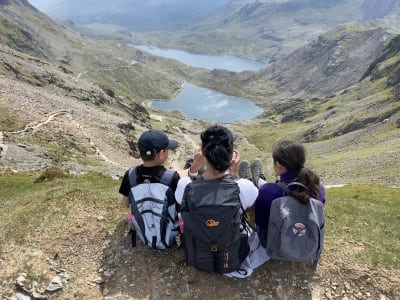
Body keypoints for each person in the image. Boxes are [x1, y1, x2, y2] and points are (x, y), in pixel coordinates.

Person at [175, 125, 258, 277]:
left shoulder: (185, 185)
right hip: (231, 258)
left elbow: (180, 197)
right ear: (231, 155)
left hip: (197, 257)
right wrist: (233, 172)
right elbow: (250, 208)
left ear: (203, 154)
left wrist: (194, 166)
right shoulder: (244, 186)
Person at [118, 129, 203, 248]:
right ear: (161, 154)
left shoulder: (130, 174)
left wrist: (130, 217)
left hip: (143, 234)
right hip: (169, 235)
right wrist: (193, 169)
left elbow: (126, 204)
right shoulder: (172, 177)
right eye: (167, 150)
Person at [255, 140, 326, 248]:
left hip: (275, 244)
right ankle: (258, 179)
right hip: (307, 243)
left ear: (279, 165)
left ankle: (256, 180)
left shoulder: (267, 190)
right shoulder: (318, 188)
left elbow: (261, 222)